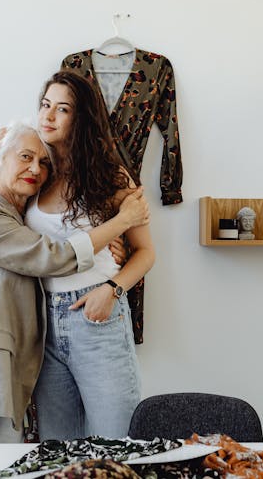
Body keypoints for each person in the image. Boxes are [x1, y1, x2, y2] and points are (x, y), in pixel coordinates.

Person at [0, 121, 150, 479]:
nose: (36, 168)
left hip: (5, 378)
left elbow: (56, 235)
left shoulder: (15, 217)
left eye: (44, 163)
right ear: (0, 160)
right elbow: (51, 255)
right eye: (26, 157)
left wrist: (111, 270)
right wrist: (121, 222)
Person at [29, 70, 156, 440]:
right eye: (45, 105)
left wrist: (112, 290)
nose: (48, 116)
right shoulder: (36, 172)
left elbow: (146, 253)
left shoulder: (111, 177)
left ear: (81, 118)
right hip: (42, 324)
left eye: (62, 109)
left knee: (116, 445)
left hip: (96, 319)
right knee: (58, 450)